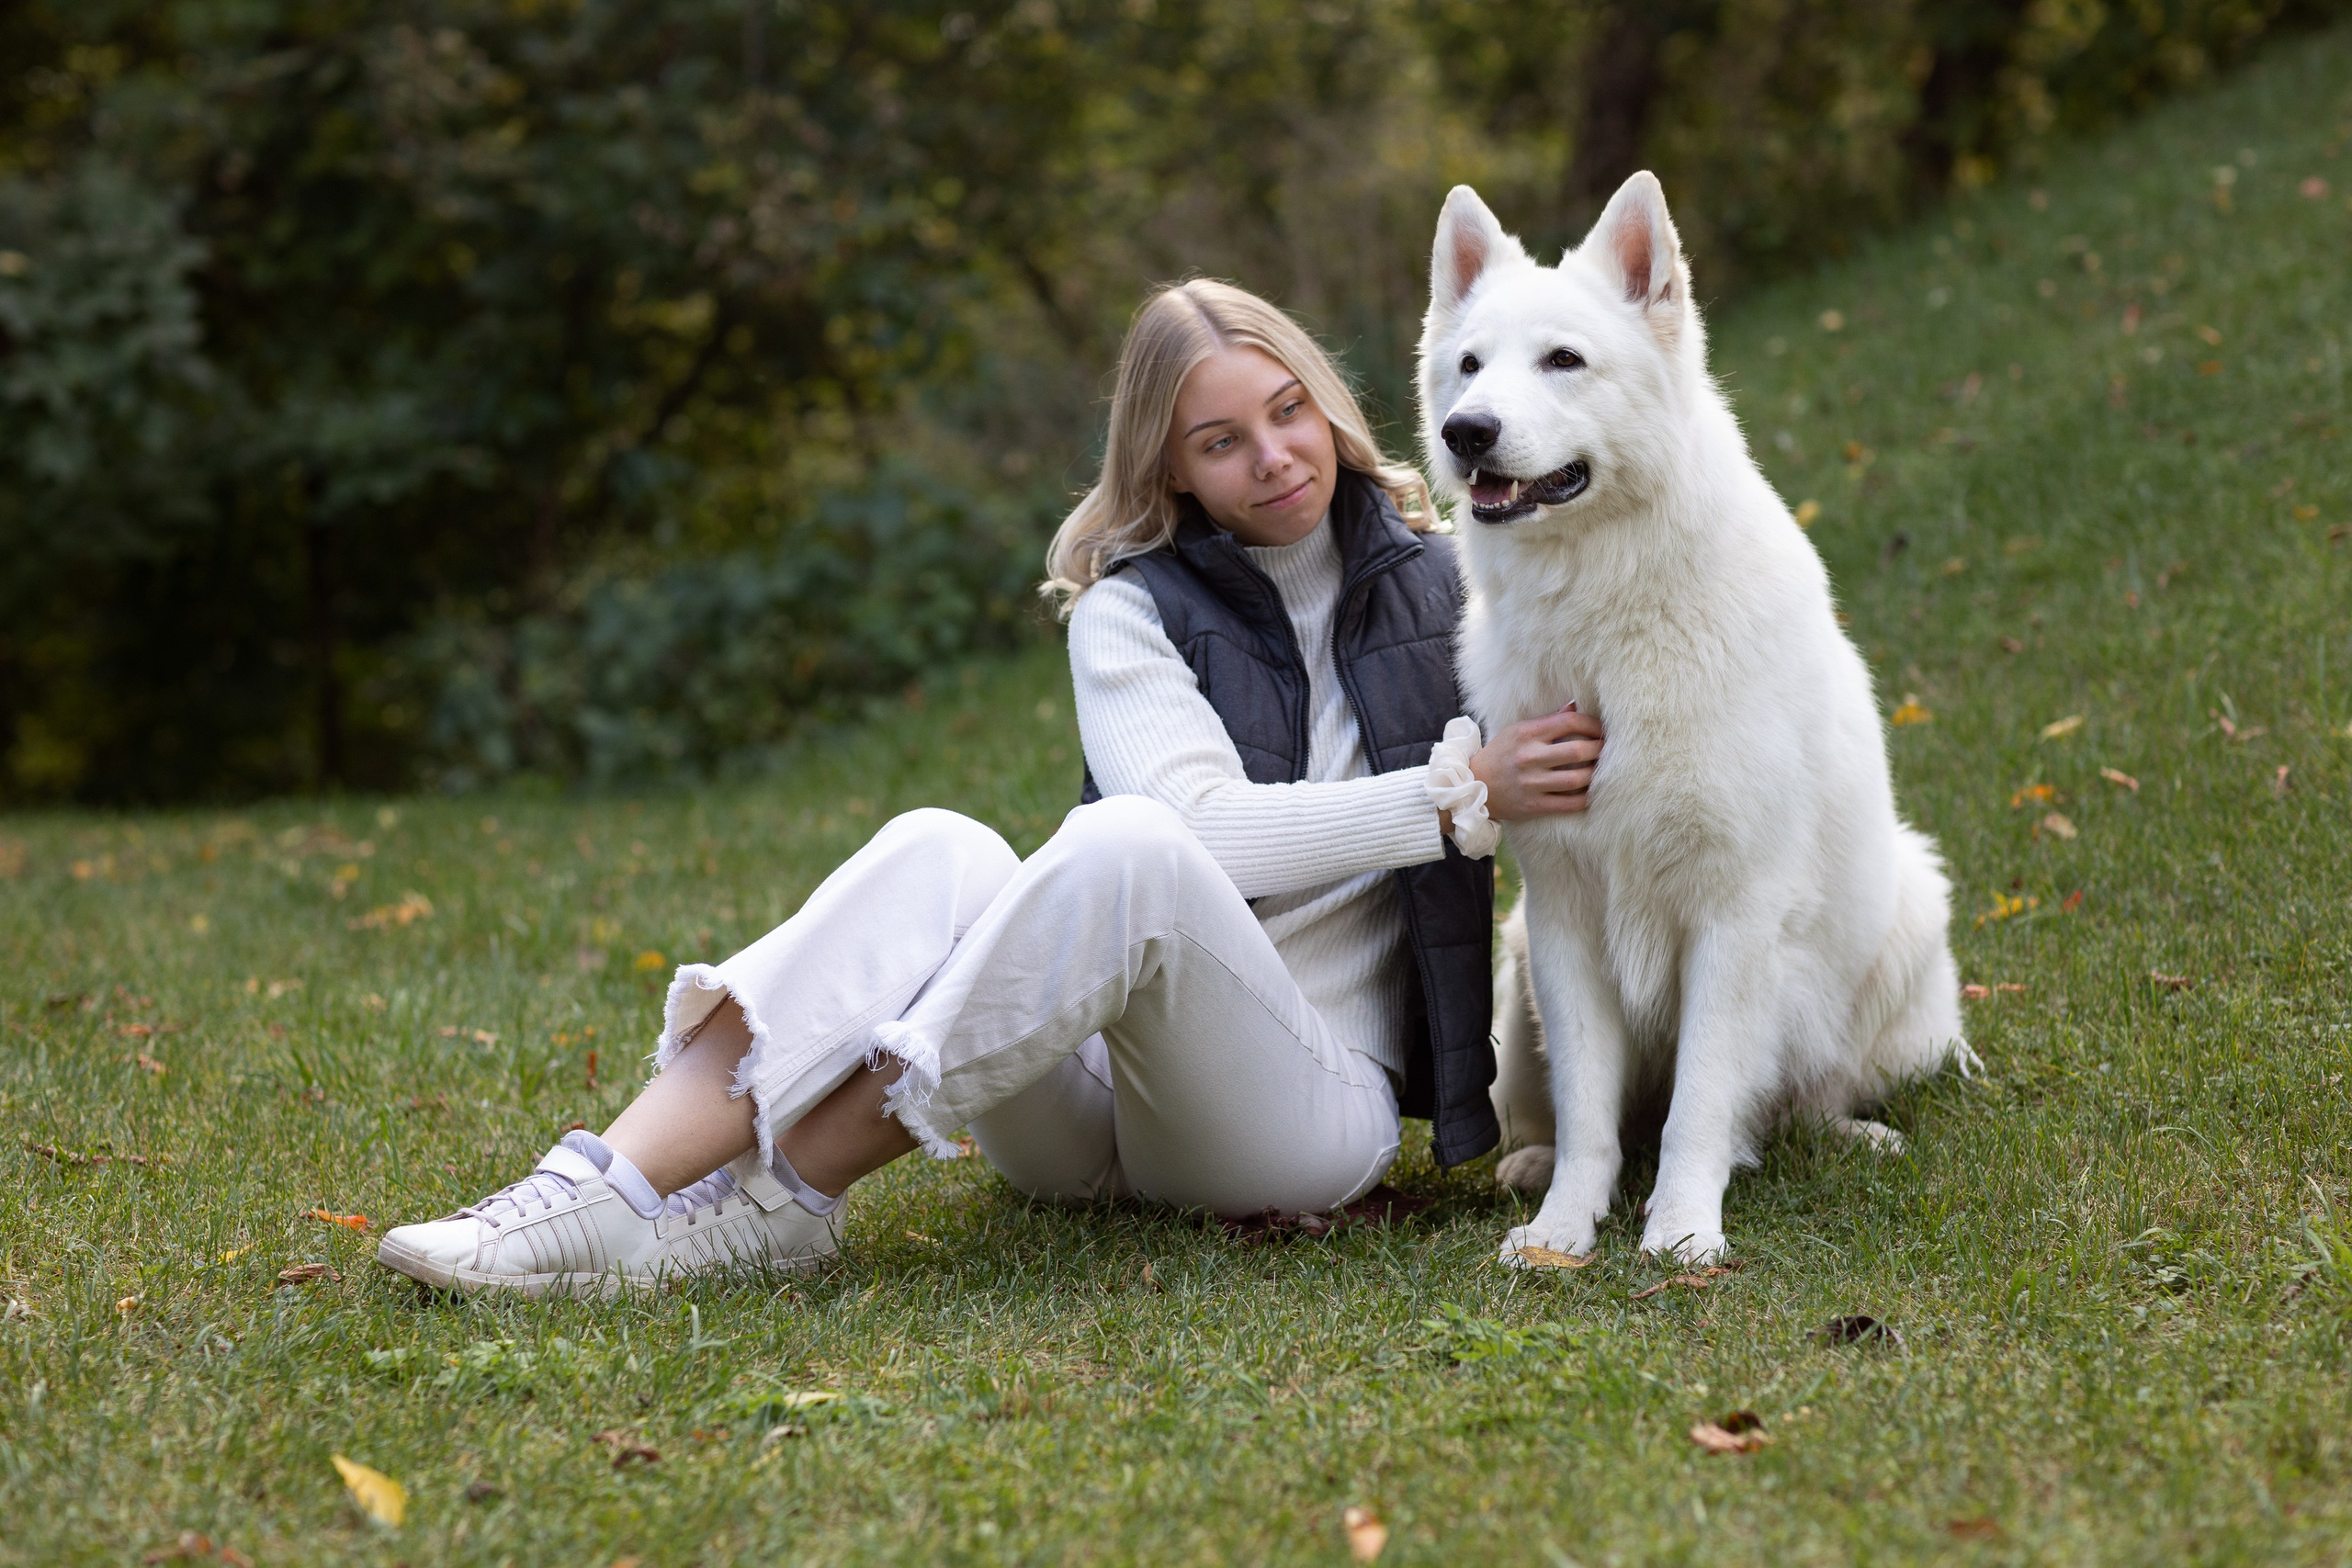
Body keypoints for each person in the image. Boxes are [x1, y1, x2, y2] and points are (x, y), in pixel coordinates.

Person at [375, 279, 1606, 1297]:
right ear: (1168, 469)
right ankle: (598, 1187)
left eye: (1289, 412)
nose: (1273, 457)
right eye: (1219, 441)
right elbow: (1207, 839)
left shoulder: (1462, 586)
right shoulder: (1131, 612)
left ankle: (792, 1193)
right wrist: (1450, 800)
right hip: (1088, 1124)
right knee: (942, 845)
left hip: (1300, 1122)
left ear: (1328, 404)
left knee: (1127, 847)